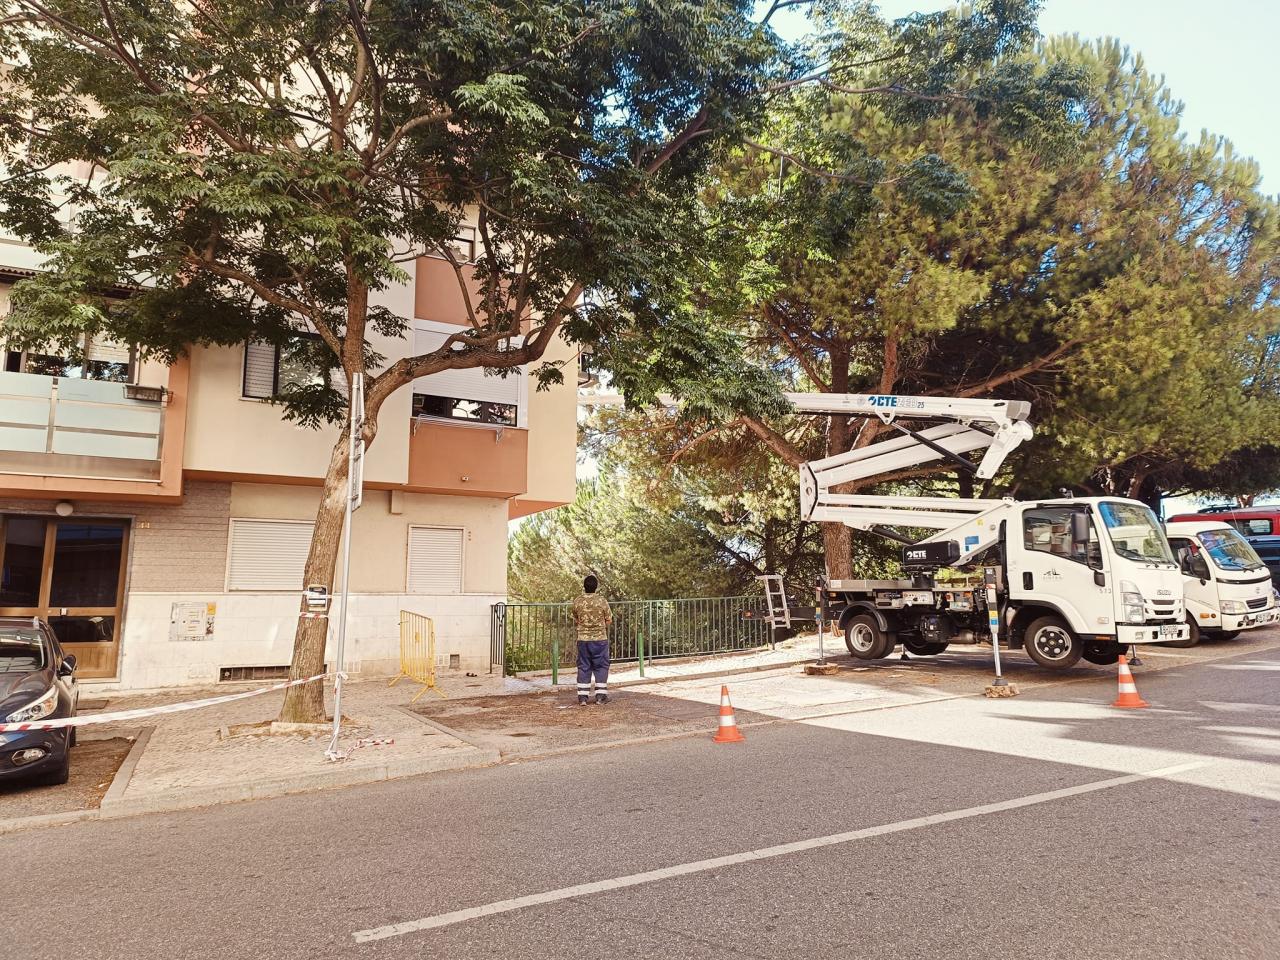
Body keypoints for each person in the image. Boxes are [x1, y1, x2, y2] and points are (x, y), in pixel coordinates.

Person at [571, 574, 613, 705]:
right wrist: (599, 626)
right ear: (596, 587)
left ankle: (583, 698)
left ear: (584, 587)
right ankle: (600, 697)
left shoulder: (577, 601)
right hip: (600, 639)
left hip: (582, 639)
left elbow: (576, 618)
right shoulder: (602, 601)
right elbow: (609, 619)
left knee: (584, 666)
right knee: (601, 666)